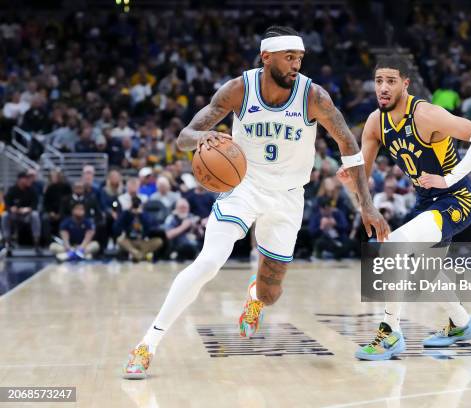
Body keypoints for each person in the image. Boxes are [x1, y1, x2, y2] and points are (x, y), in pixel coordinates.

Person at [123, 26, 389, 379]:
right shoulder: (238, 89)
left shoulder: (314, 96)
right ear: (267, 57)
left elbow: (349, 146)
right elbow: (185, 137)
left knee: (270, 292)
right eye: (289, 57)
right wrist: (204, 135)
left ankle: (254, 298)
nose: (296, 65)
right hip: (243, 187)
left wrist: (365, 204)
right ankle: (147, 344)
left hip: (288, 197)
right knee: (208, 263)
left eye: (299, 58)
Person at [337, 55, 471, 360]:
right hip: (426, 203)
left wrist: (448, 177)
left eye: (391, 81)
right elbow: (363, 181)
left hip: (456, 200)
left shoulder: (426, 114)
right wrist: (350, 185)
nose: (383, 87)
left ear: (405, 84)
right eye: (378, 81)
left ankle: (390, 332)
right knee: (428, 271)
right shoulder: (375, 122)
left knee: (393, 247)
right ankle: (463, 324)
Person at [1, 172, 41, 254]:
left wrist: (29, 209)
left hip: (27, 215)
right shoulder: (12, 189)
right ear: (20, 180)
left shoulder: (32, 190)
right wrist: (11, 208)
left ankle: (36, 243)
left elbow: (35, 204)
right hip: (15, 215)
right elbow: (7, 204)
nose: (27, 180)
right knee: (5, 216)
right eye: (25, 179)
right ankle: (7, 243)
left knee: (35, 215)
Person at [113, 197, 162, 262]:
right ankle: (139, 255)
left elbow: (152, 227)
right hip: (130, 241)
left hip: (143, 241)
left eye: (137, 205)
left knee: (159, 241)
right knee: (120, 240)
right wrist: (127, 213)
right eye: (134, 205)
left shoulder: (145, 214)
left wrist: (142, 215)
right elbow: (116, 228)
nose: (135, 207)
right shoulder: (126, 214)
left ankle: (137, 255)